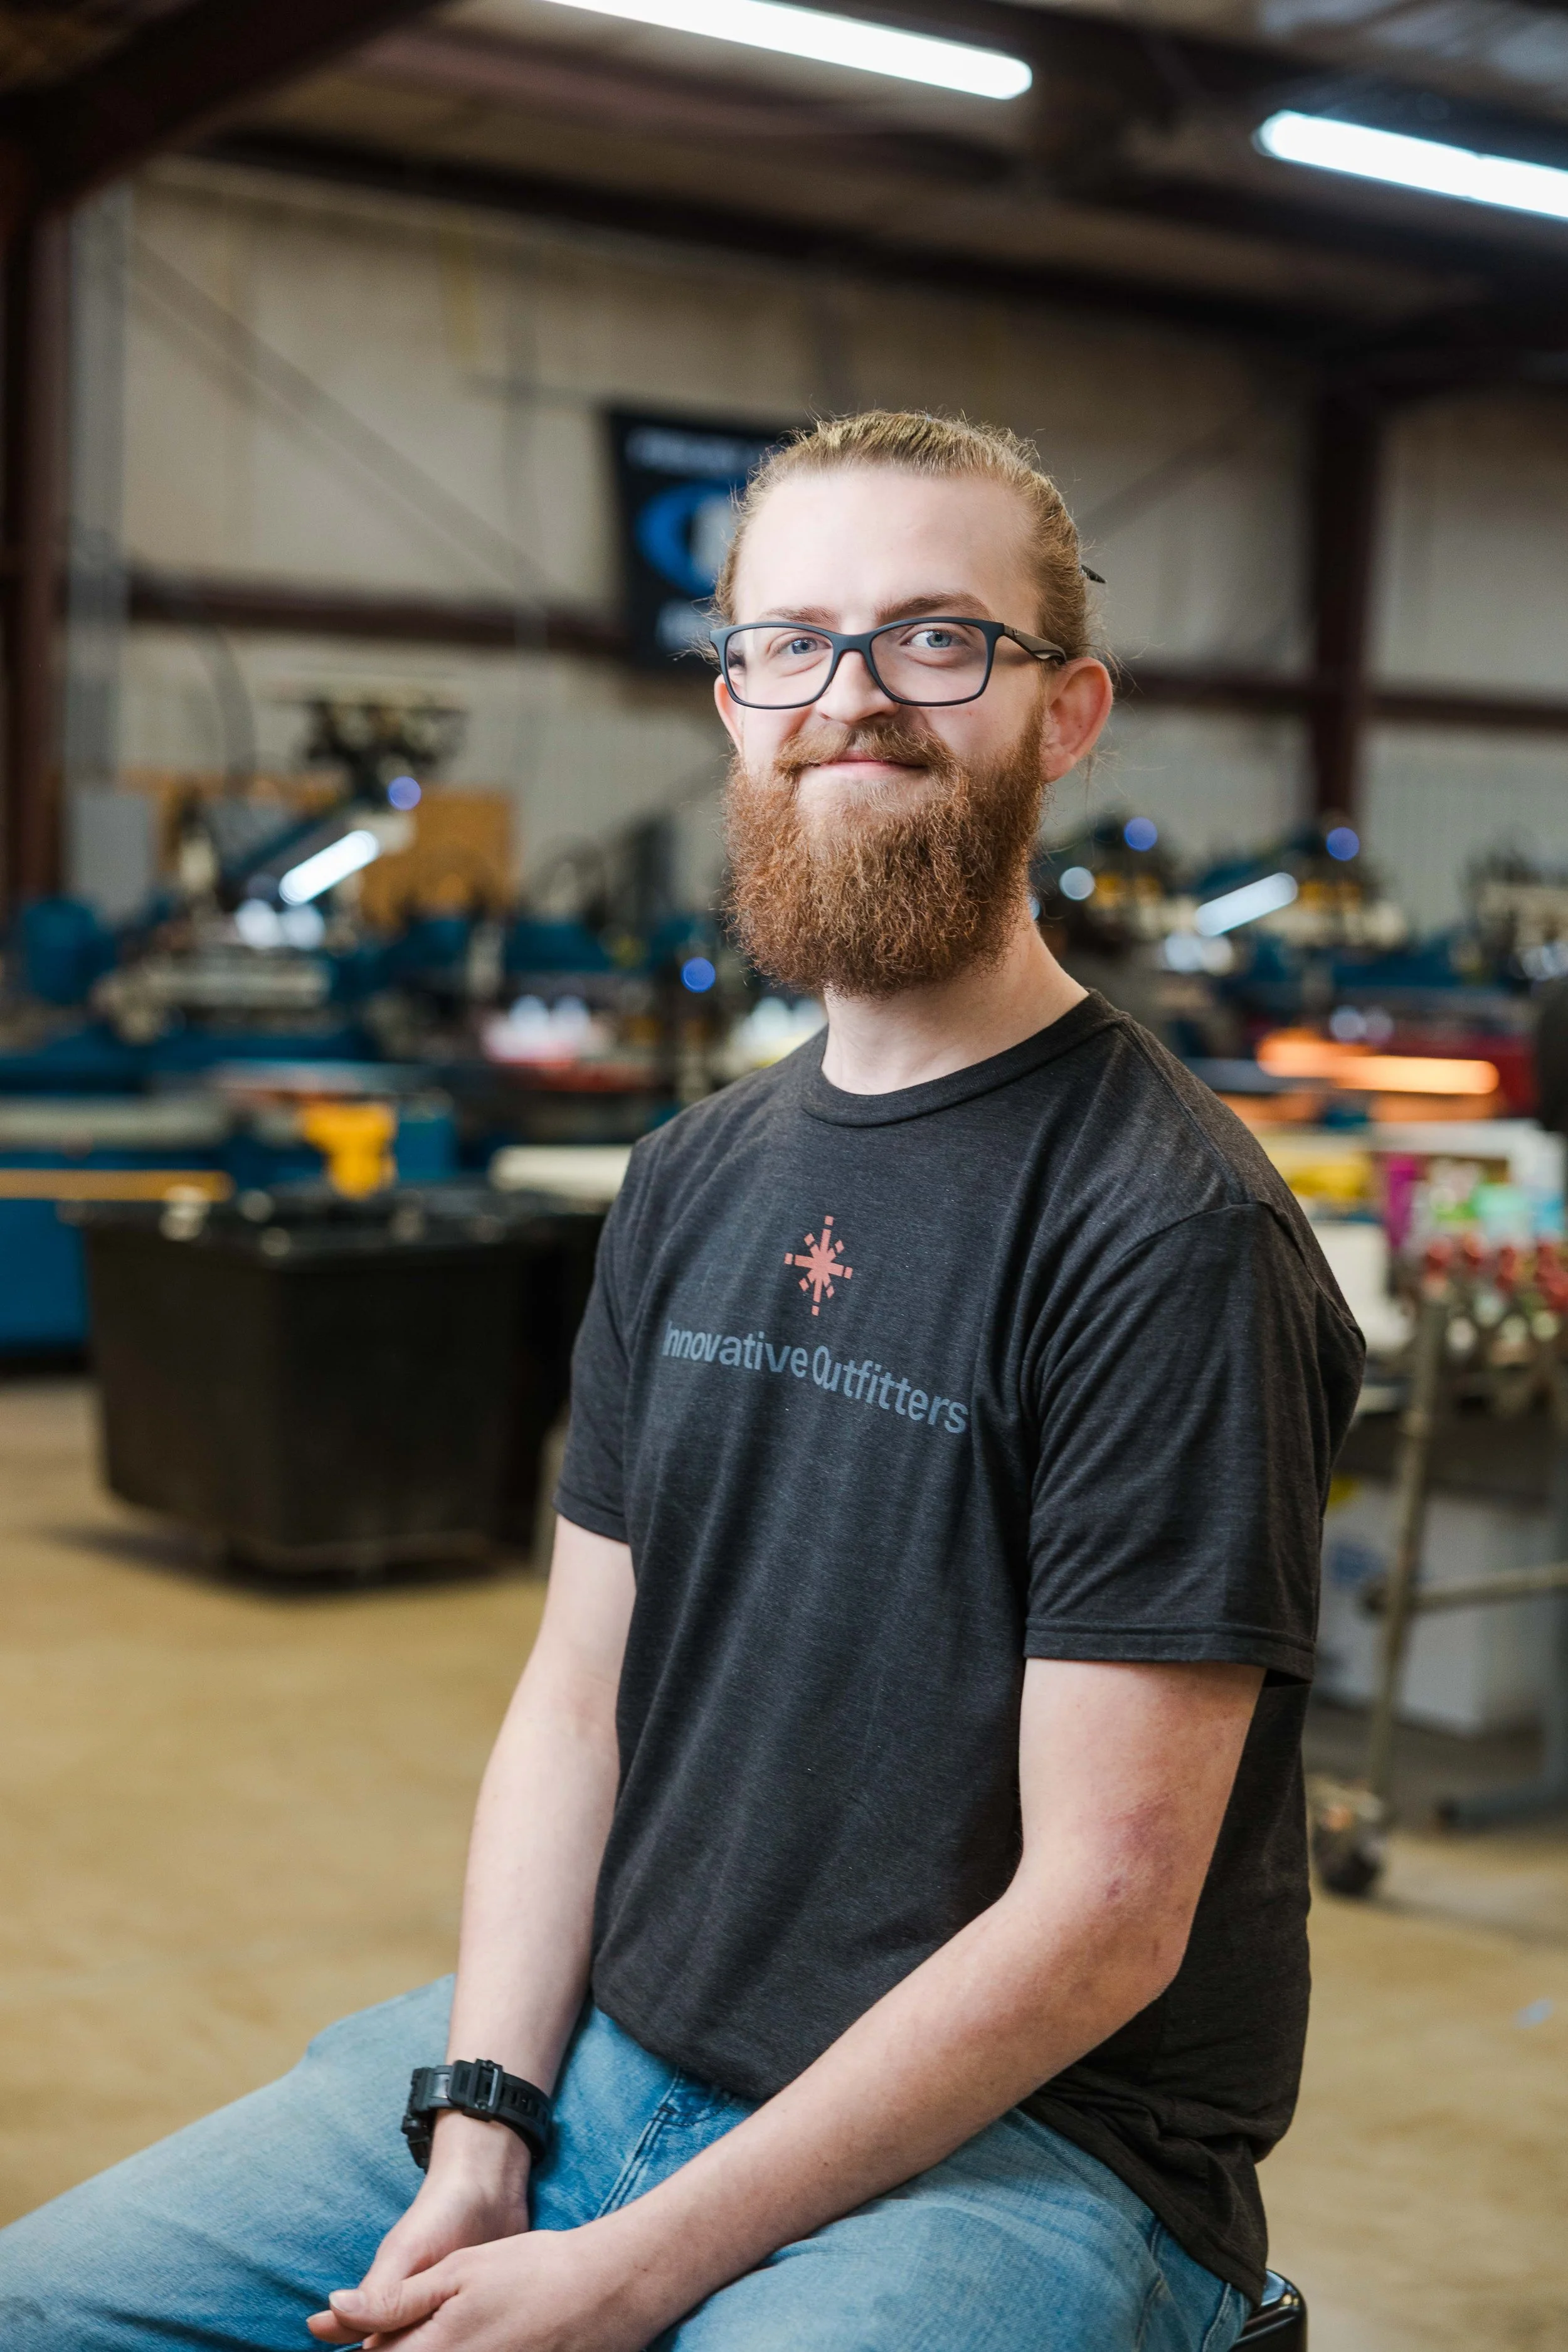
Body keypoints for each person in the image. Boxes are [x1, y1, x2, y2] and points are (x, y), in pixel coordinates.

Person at [0, 411, 1362, 2352]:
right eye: (790, 640)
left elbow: (1105, 1916)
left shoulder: (1165, 1228)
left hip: (1034, 2151)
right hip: (613, 2062)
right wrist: (484, 2115)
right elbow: (575, 1699)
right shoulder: (693, 1174)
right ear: (735, 702)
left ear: (1064, 717)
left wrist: (638, 2264)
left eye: (935, 640)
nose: (852, 699)